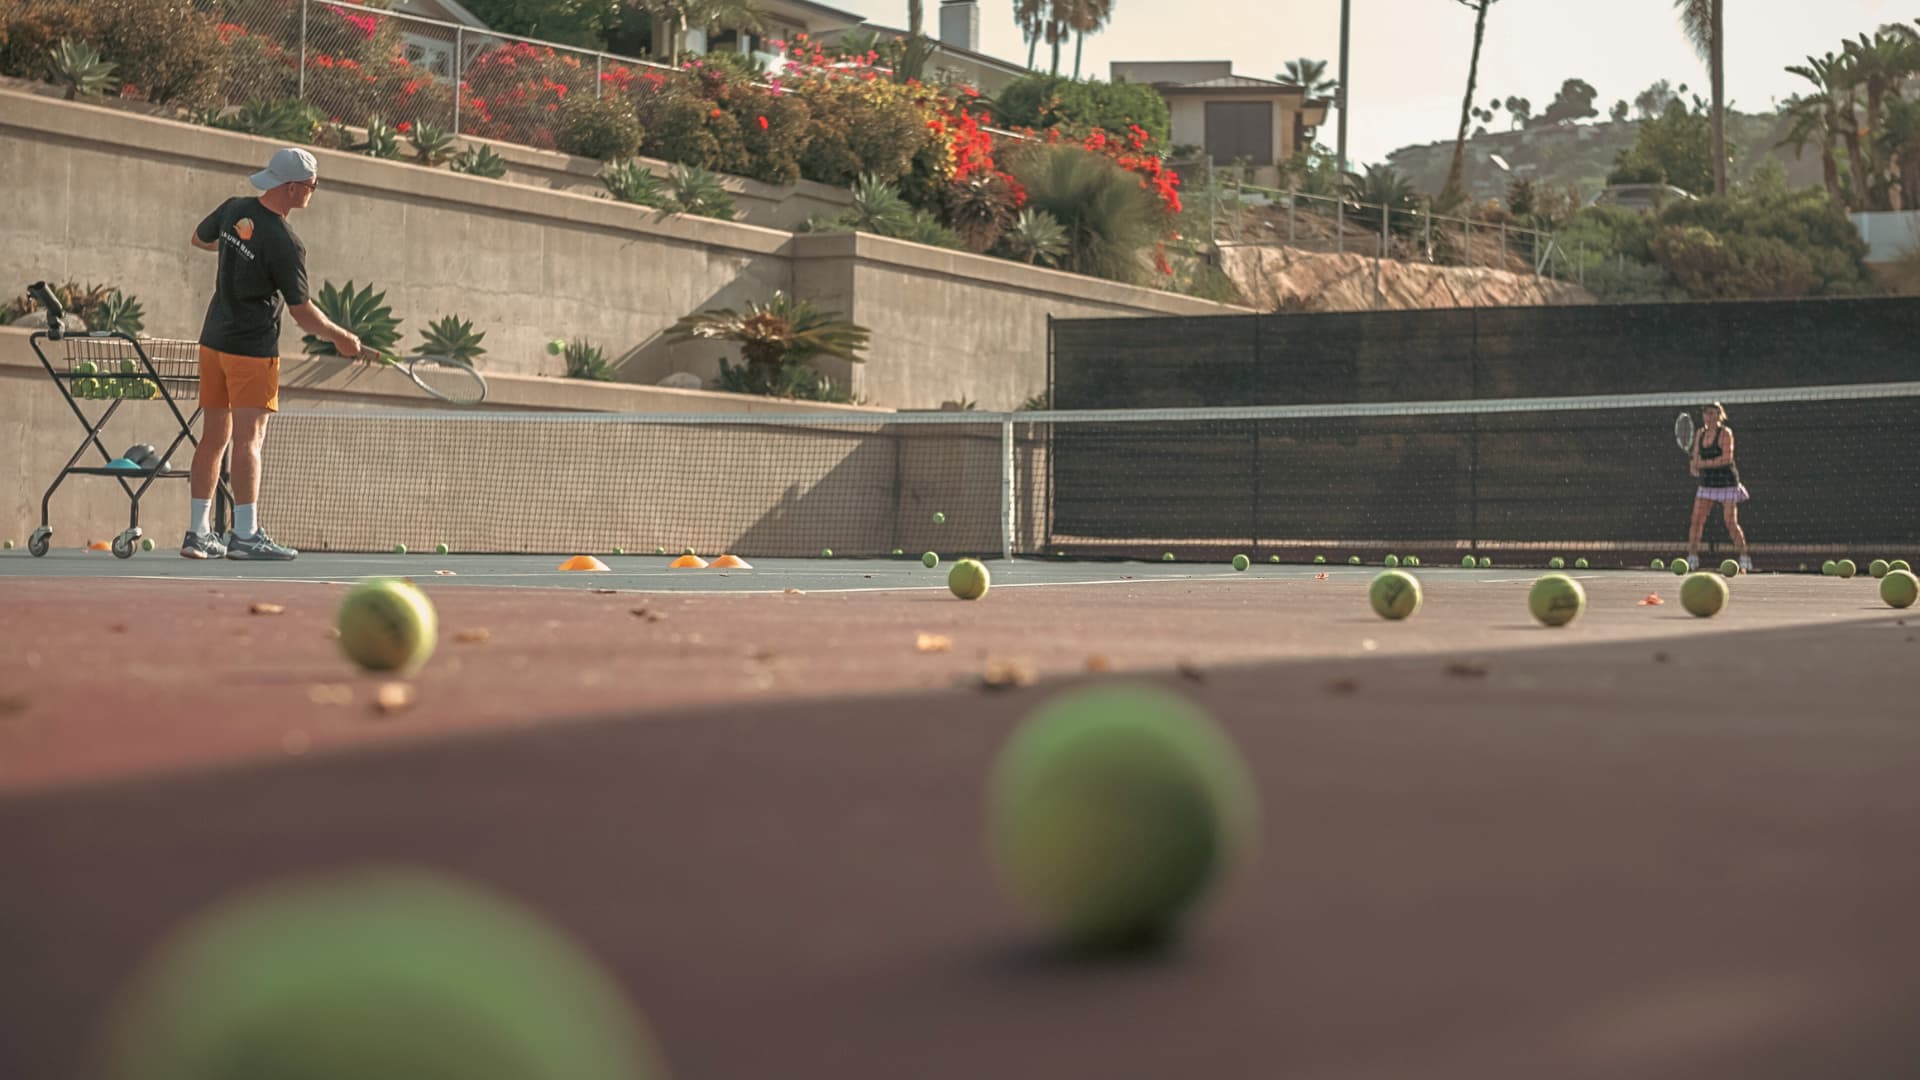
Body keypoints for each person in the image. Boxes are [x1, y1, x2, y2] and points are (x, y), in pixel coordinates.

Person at [184, 147, 360, 560]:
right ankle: (244, 535)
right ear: (295, 188)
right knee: (250, 440)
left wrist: (238, 254)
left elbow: (199, 238)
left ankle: (198, 533)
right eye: (313, 186)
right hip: (251, 350)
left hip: (213, 342)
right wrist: (340, 338)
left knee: (213, 438)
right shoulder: (284, 242)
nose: (314, 192)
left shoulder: (233, 210)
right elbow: (302, 312)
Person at [1686, 401, 1752, 572]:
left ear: (1719, 415)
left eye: (1714, 413)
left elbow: (1726, 459)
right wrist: (1694, 467)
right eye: (1707, 413)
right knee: (1696, 520)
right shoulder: (1700, 433)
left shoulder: (1726, 433)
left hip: (1727, 483)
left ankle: (1745, 557)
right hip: (1707, 484)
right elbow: (1695, 459)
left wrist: (1702, 464)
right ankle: (1692, 557)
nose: (1710, 416)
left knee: (1730, 522)